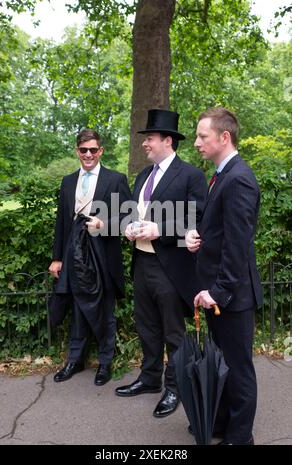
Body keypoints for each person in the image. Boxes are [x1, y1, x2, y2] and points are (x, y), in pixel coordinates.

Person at [115, 109, 207, 418]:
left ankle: (175, 387)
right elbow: (131, 212)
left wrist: (162, 229)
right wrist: (129, 226)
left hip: (171, 267)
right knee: (146, 327)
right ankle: (150, 378)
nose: (145, 144)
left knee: (172, 332)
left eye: (150, 138)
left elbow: (198, 217)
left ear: (167, 141)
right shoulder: (143, 175)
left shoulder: (191, 175)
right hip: (142, 262)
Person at [186, 107, 262, 445]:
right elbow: (220, 233)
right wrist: (197, 237)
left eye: (202, 136)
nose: (197, 143)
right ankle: (220, 423)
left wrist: (218, 291)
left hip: (232, 297)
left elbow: (238, 246)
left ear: (224, 137)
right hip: (220, 293)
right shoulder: (222, 174)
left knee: (238, 369)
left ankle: (240, 437)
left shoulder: (239, 178)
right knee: (223, 364)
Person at [49, 128, 131, 386]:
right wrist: (57, 258)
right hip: (74, 254)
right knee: (77, 308)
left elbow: (129, 219)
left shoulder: (116, 179)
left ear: (101, 151)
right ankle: (75, 359)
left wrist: (103, 223)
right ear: (77, 151)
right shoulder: (68, 181)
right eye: (83, 150)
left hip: (103, 255)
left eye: (93, 150)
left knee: (105, 308)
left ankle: (105, 362)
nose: (88, 154)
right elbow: (62, 222)